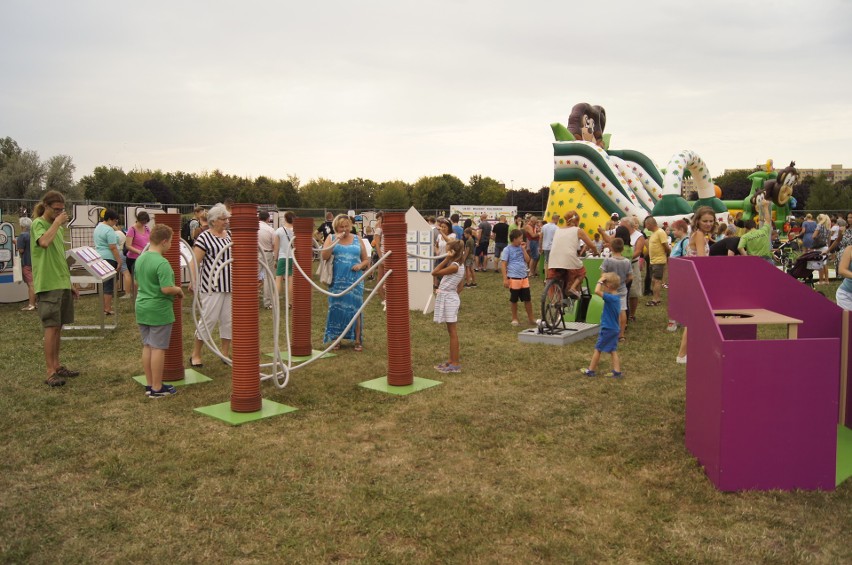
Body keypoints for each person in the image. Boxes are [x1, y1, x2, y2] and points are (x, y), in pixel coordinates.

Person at [31, 190, 79, 387]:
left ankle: (57, 366)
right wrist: (58, 223)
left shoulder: (57, 228)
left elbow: (60, 256)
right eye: (56, 210)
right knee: (51, 328)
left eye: (62, 210)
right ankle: (49, 371)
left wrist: (69, 283)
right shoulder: (38, 224)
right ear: (46, 206)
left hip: (61, 283)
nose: (59, 213)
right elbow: (43, 243)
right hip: (48, 284)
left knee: (58, 327)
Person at [134, 224, 184, 397]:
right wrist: (178, 290)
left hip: (141, 306)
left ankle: (150, 384)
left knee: (147, 345)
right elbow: (166, 289)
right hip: (158, 310)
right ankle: (157, 388)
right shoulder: (162, 263)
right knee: (158, 348)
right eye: (170, 242)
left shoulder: (141, 258)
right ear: (164, 242)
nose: (170, 245)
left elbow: (137, 282)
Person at [189, 203, 232, 367]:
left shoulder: (229, 236)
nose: (226, 221)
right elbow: (194, 262)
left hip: (229, 285)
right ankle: (196, 354)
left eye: (227, 218)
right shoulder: (204, 237)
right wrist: (194, 281)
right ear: (213, 221)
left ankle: (225, 353)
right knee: (209, 318)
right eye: (223, 219)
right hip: (211, 286)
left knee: (228, 320)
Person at [322, 214, 369, 351]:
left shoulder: (357, 239)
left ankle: (357, 339)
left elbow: (366, 259)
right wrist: (335, 241)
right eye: (341, 227)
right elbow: (324, 256)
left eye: (347, 226)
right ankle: (336, 339)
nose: (344, 229)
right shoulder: (330, 238)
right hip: (337, 280)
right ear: (336, 227)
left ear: (351, 226)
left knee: (355, 308)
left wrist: (360, 266)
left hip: (355, 280)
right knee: (336, 308)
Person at [676, 206, 716, 364]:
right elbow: (702, 260)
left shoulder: (699, 235)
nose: (708, 223)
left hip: (694, 280)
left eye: (711, 221)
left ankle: (692, 352)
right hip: (698, 281)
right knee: (695, 320)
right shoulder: (699, 235)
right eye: (705, 220)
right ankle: (682, 355)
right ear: (697, 221)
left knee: (698, 320)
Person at [579, 272, 623, 378]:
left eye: (604, 284)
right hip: (614, 328)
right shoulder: (617, 298)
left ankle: (591, 370)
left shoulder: (609, 298)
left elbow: (596, 291)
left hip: (607, 328)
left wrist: (600, 280)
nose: (602, 286)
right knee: (612, 350)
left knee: (598, 349)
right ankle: (617, 372)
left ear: (608, 286)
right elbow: (619, 316)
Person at [432, 240, 465, 373]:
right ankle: (451, 361)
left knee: (452, 332)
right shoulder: (457, 265)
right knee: (450, 331)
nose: (446, 252)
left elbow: (435, 272)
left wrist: (447, 258)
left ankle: (455, 364)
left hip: (450, 299)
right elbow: (461, 285)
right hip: (450, 297)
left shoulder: (455, 266)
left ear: (453, 252)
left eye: (448, 250)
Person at [549, 210, 598, 298]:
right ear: (576, 221)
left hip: (553, 259)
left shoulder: (558, 230)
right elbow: (592, 245)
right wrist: (596, 251)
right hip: (568, 258)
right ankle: (573, 287)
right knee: (582, 272)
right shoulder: (578, 230)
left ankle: (560, 299)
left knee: (561, 275)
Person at [500, 229, 535, 326]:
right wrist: (505, 278)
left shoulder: (521, 248)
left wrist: (523, 249)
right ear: (514, 239)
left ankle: (531, 318)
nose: (522, 240)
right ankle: (514, 318)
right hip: (513, 277)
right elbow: (503, 264)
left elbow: (527, 260)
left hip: (524, 277)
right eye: (520, 238)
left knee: (528, 299)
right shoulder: (507, 249)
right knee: (514, 299)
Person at [600, 238, 632, 341]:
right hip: (622, 288)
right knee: (622, 310)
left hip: (609, 289)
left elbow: (603, 275)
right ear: (622, 248)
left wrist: (605, 284)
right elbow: (630, 277)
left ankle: (610, 332)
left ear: (611, 248)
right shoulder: (627, 261)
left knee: (609, 311)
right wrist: (624, 282)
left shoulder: (608, 260)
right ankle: (621, 334)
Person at [93, 209, 122, 315]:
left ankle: (105, 307)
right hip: (110, 258)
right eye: (114, 221)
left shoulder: (98, 228)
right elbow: (113, 247)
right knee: (109, 285)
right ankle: (108, 308)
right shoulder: (109, 230)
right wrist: (119, 261)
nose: (115, 223)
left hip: (99, 257)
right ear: (109, 219)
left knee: (105, 284)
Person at [644, 217, 671, 307]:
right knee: (654, 280)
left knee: (657, 281)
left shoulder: (660, 232)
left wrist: (667, 254)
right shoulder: (654, 233)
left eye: (646, 224)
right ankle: (656, 298)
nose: (645, 226)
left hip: (659, 261)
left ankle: (656, 300)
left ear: (649, 224)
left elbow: (666, 246)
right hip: (653, 261)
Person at [125, 211, 152, 299]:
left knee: (145, 278)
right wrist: (139, 252)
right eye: (142, 222)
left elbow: (150, 241)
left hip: (145, 257)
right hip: (134, 258)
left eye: (145, 222)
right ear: (138, 220)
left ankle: (145, 296)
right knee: (137, 280)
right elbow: (128, 245)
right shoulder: (132, 230)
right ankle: (138, 297)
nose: (143, 224)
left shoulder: (147, 229)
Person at [737, 199, 773, 263]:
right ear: (755, 226)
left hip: (754, 261)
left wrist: (747, 258)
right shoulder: (763, 231)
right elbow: (768, 220)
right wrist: (766, 207)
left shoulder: (745, 236)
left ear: (746, 228)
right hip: (767, 260)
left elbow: (740, 247)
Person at [272, 211, 295, 305]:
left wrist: (275, 259)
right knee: (291, 280)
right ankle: (290, 302)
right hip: (292, 258)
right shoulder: (296, 230)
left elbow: (276, 247)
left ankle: (275, 302)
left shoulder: (279, 231)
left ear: (285, 219)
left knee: (278, 279)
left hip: (282, 257)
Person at [16, 217, 37, 311]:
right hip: (35, 262)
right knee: (35, 283)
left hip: (26, 263)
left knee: (31, 284)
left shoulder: (22, 235)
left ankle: (31, 304)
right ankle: (36, 302)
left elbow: (21, 250)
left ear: (22, 225)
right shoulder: (34, 234)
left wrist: (16, 243)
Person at [258, 210, 276, 309]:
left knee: (255, 277)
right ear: (268, 219)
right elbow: (274, 245)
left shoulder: (254, 228)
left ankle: (249, 298)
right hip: (267, 254)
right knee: (267, 278)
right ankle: (267, 302)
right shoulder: (270, 230)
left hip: (255, 255)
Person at [814, 214, 832, 285]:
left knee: (819, 264)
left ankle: (821, 280)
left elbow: (814, 236)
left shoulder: (819, 226)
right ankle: (827, 280)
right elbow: (829, 240)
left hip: (819, 247)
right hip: (826, 246)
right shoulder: (828, 228)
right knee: (825, 264)